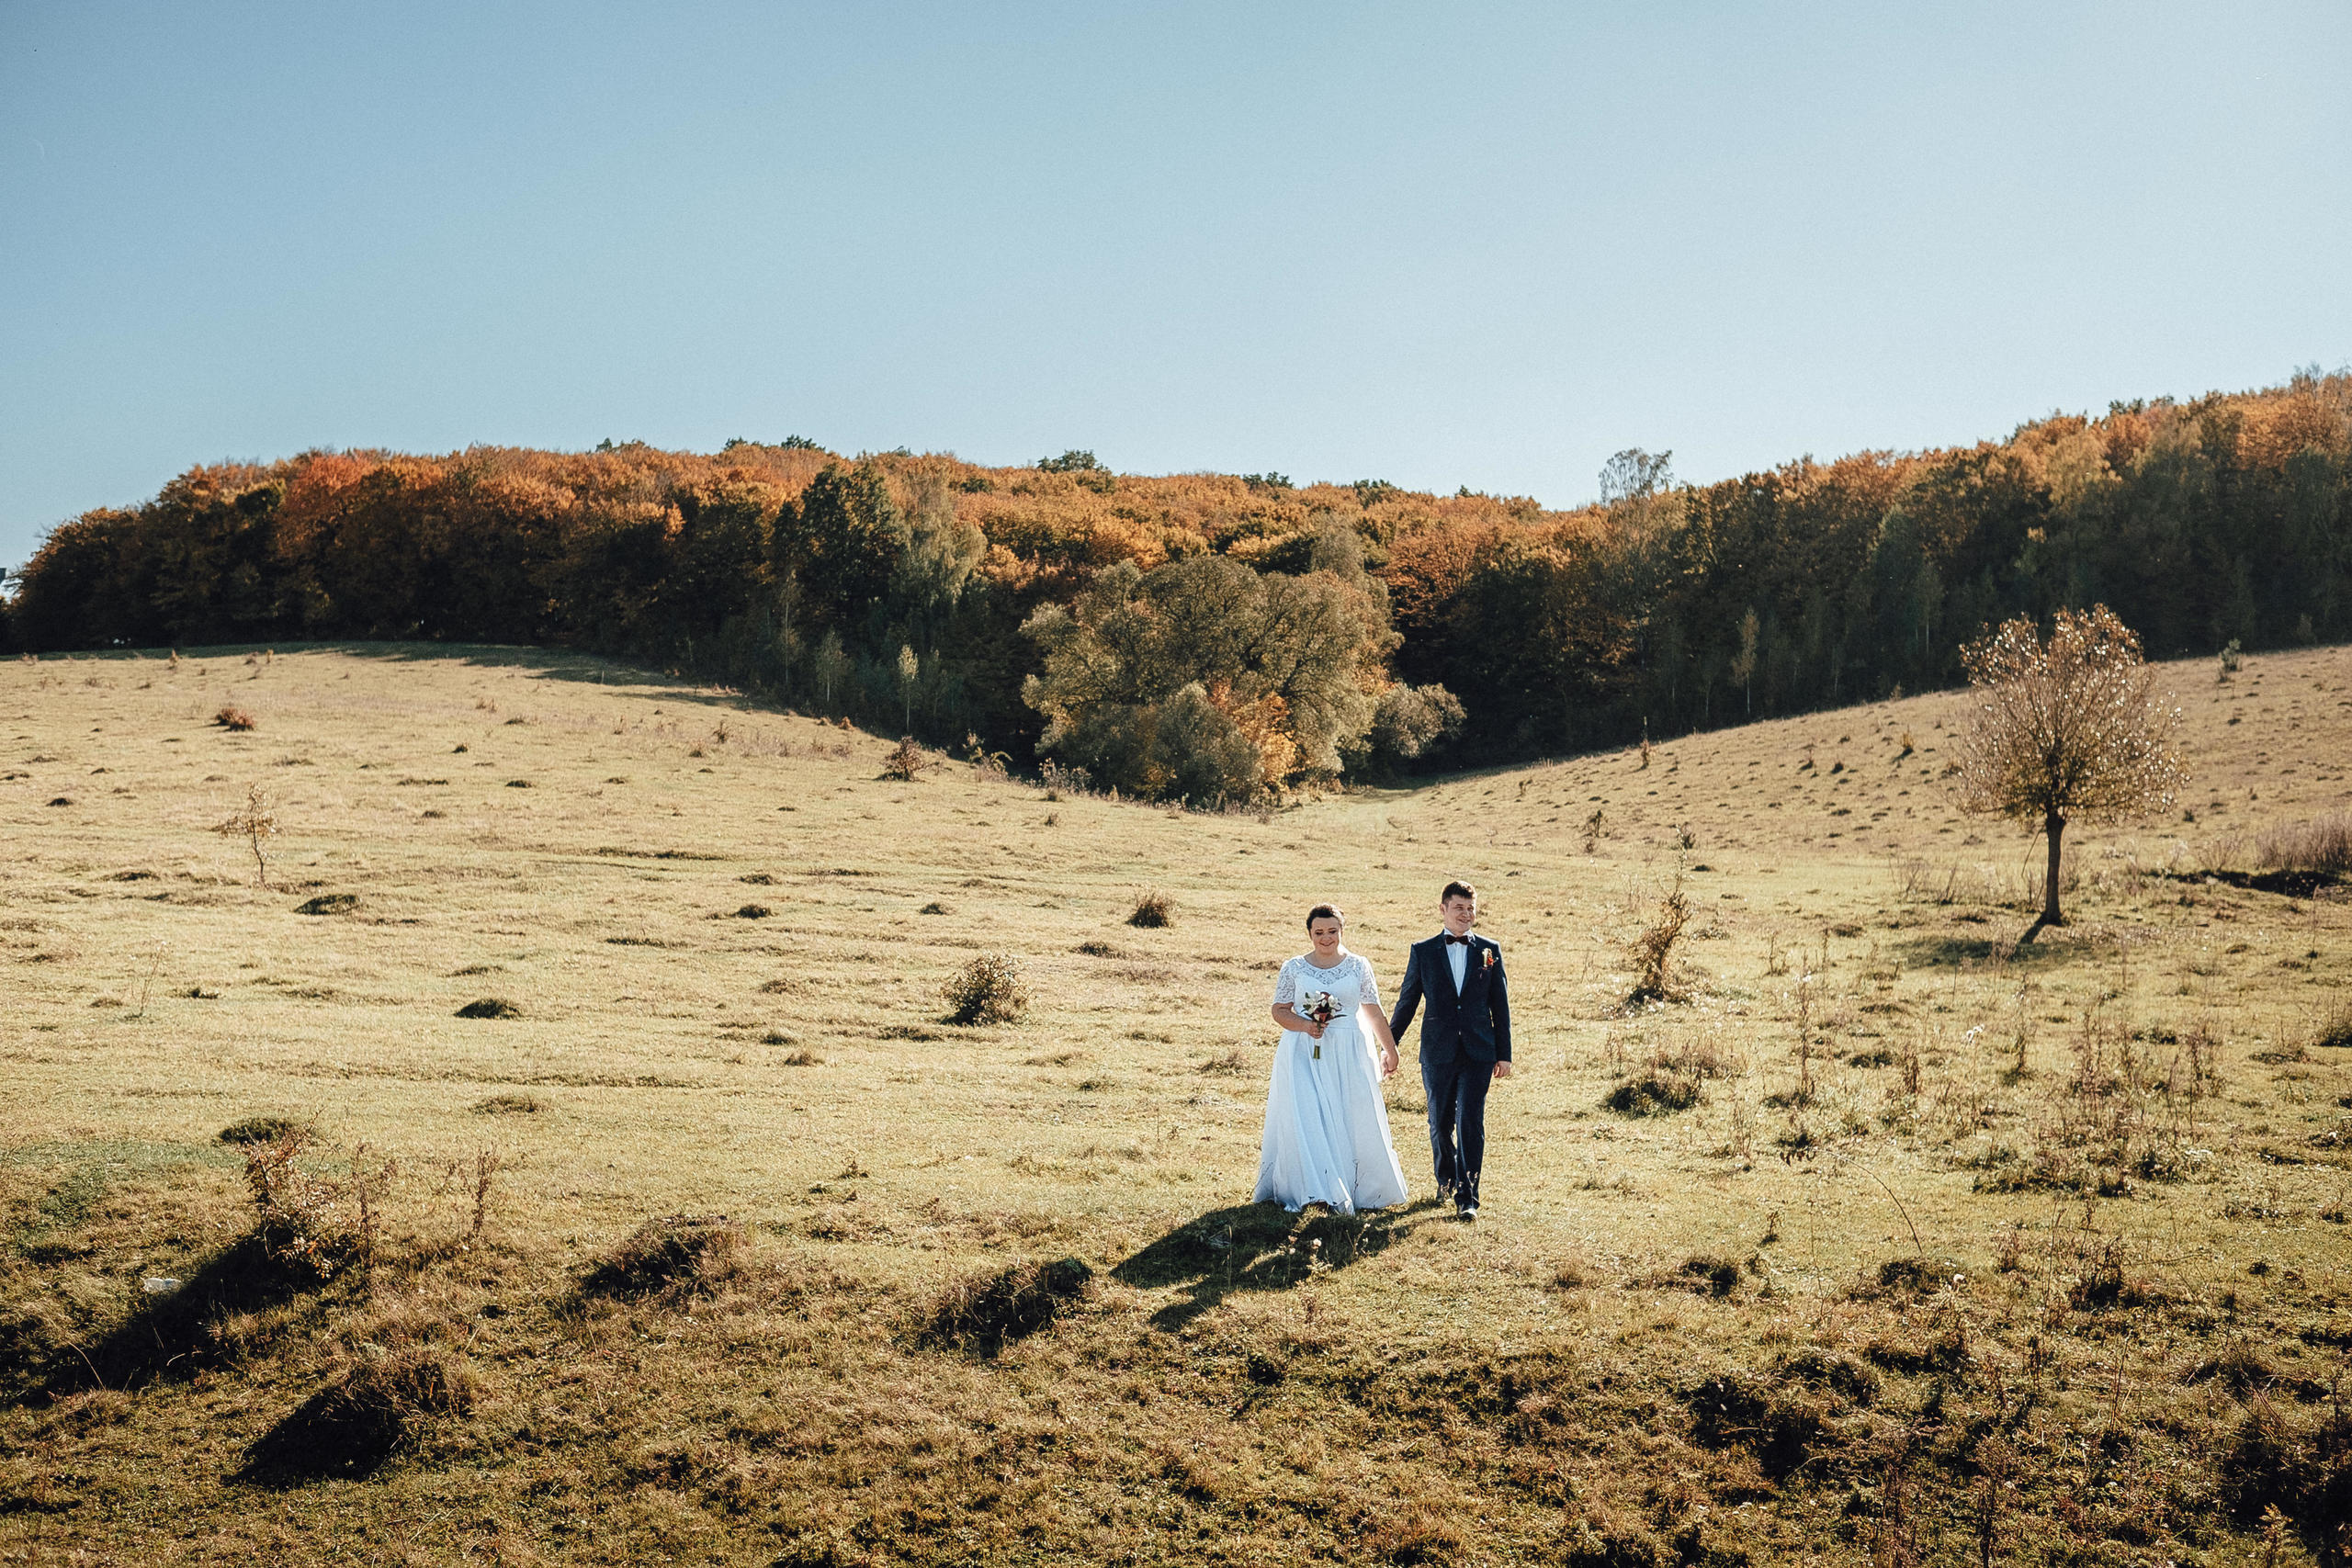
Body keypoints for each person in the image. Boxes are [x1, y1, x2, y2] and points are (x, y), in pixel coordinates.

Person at [1254, 903, 1410, 1213]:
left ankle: (1353, 1186)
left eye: (1332, 931)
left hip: (1348, 1052)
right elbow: (1279, 1010)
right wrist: (1306, 1025)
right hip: (1302, 1052)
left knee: (1346, 1116)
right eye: (1319, 932)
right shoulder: (1294, 967)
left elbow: (1373, 1010)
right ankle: (1316, 1191)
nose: (1326, 938)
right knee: (1309, 1115)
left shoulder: (1358, 966)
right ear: (1310, 934)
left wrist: (1390, 1049)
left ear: (1341, 930)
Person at [1387, 880, 1510, 1219]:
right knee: (1440, 1123)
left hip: (1479, 1052)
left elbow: (1500, 1006)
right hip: (1437, 1052)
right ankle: (1447, 1180)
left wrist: (1504, 1054)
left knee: (1470, 1121)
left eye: (1471, 909)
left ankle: (1468, 1197)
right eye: (1459, 908)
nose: (1466, 914)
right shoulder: (1423, 951)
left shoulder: (1489, 950)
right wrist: (1390, 1045)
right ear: (1442, 910)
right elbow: (1407, 1002)